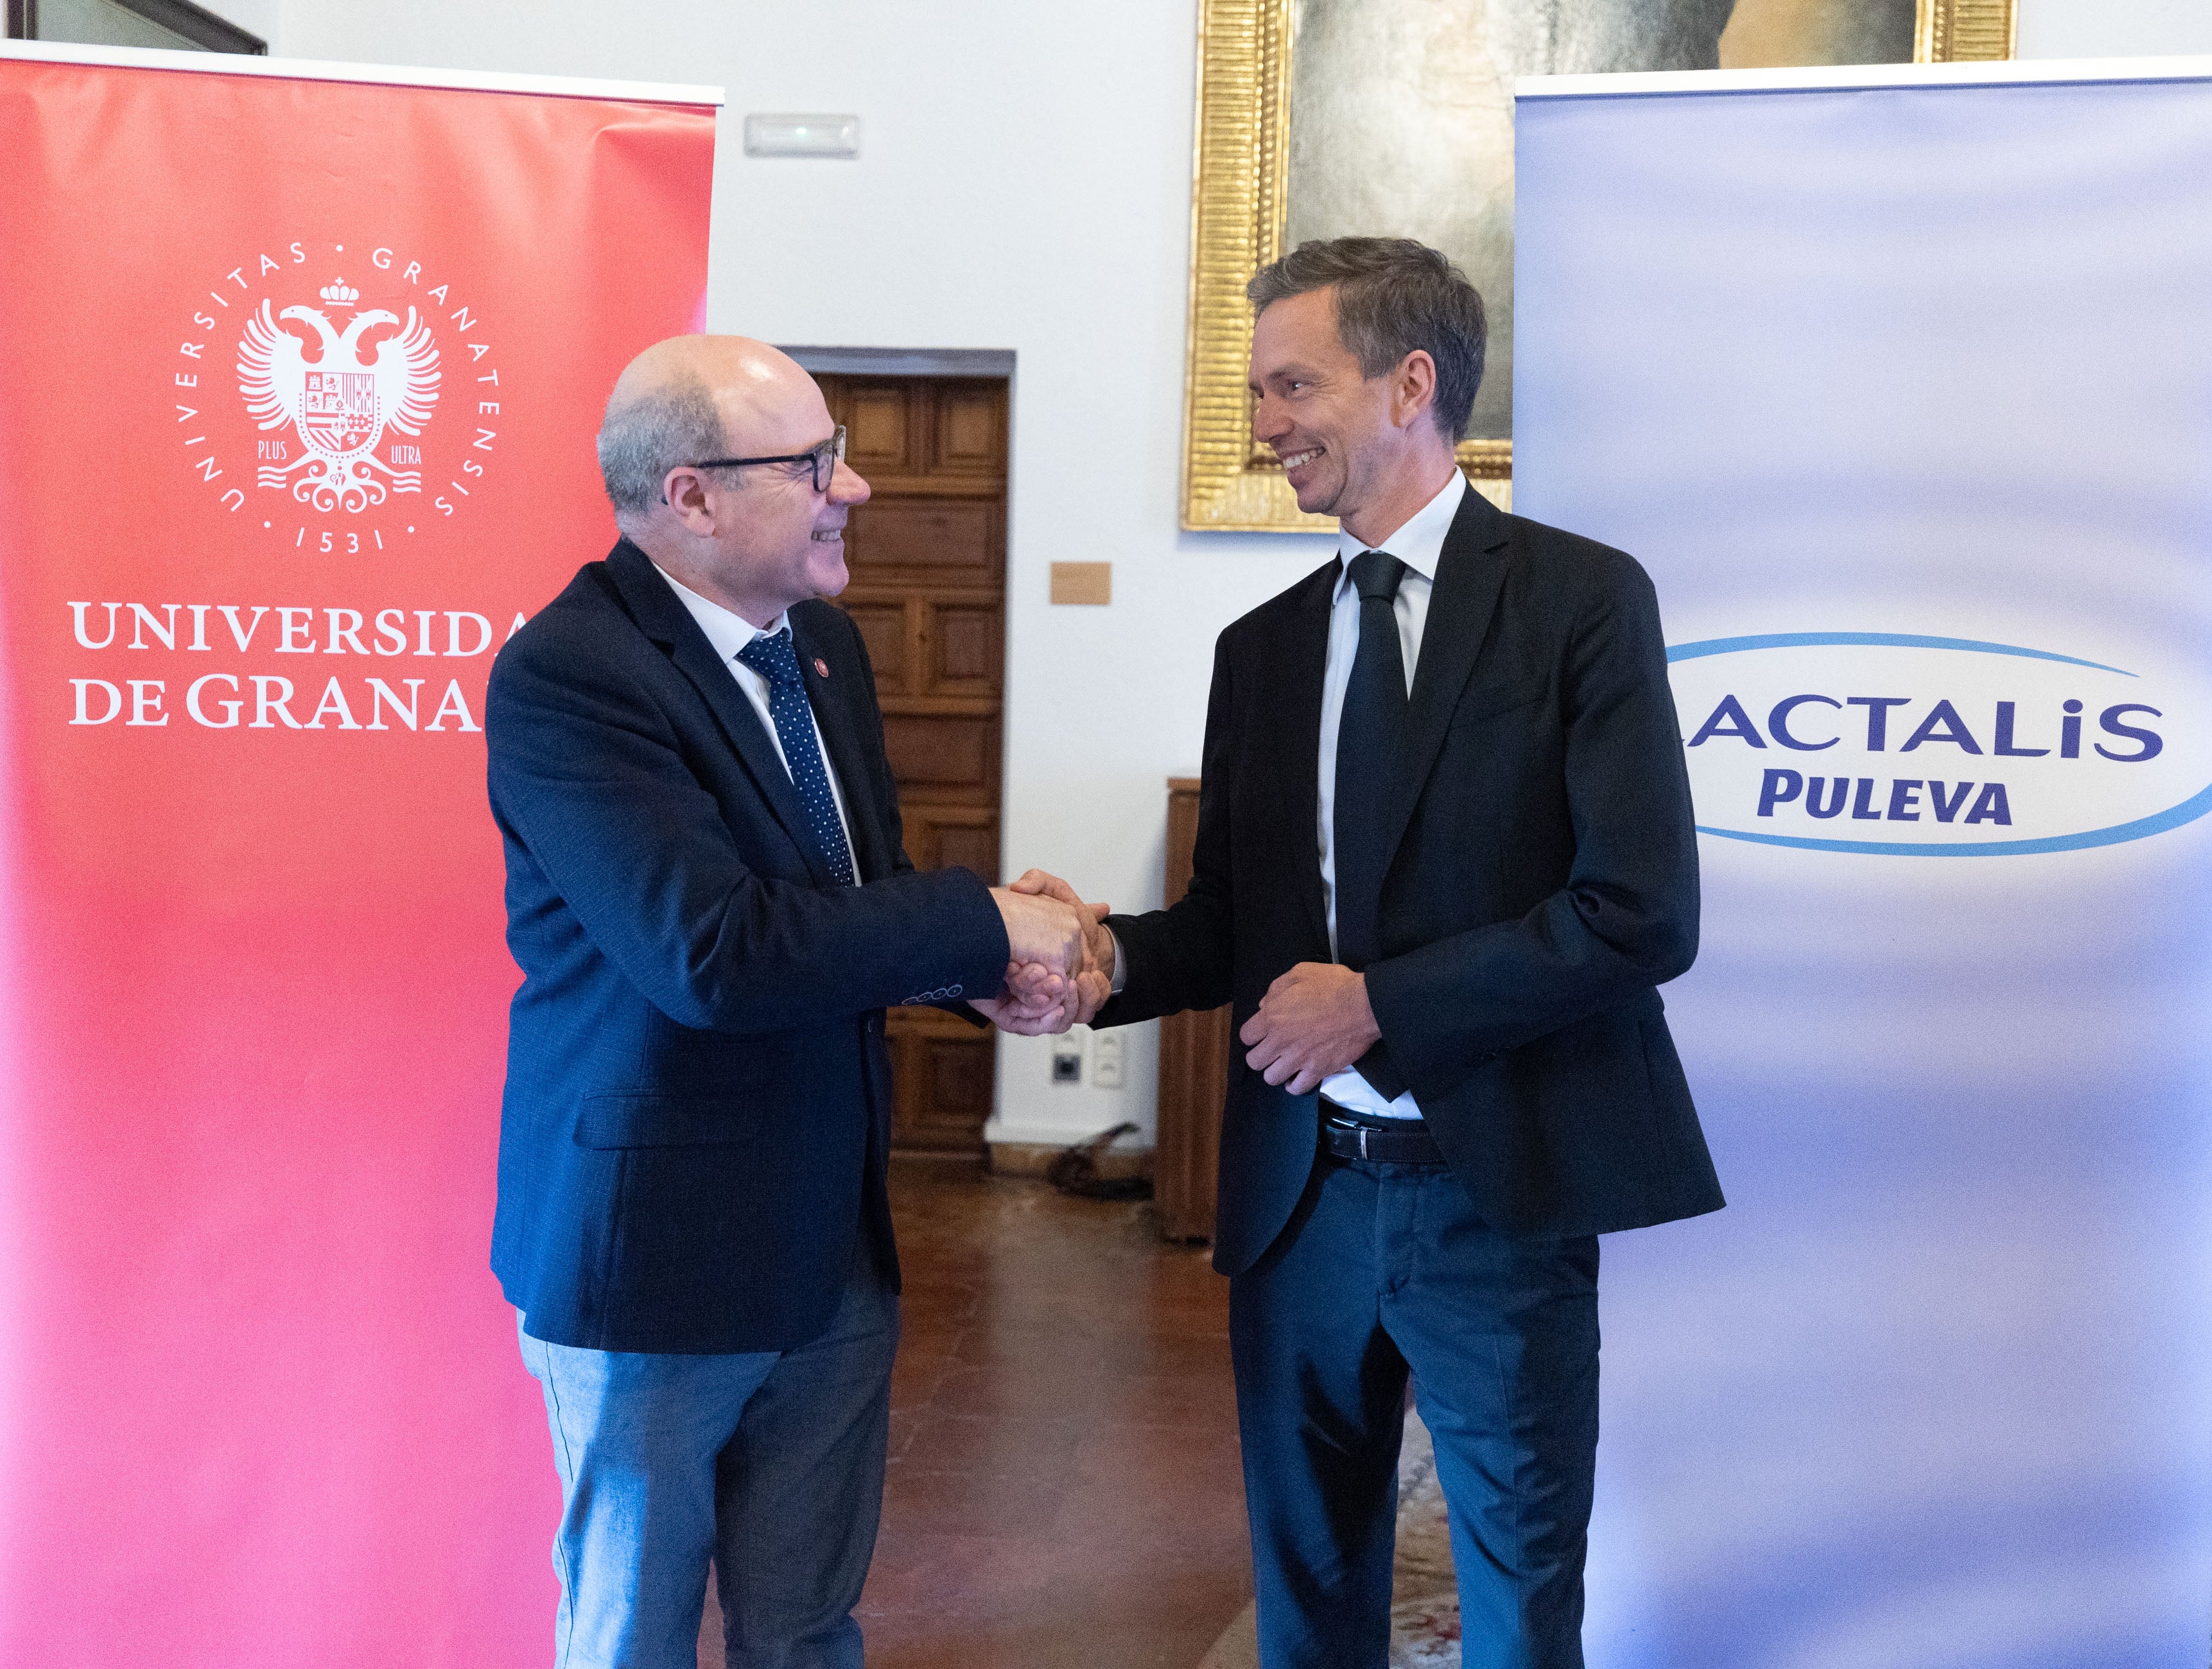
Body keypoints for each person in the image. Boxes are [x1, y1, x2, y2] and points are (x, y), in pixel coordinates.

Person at [1031, 238, 1723, 1666]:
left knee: (1523, 1602)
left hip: (1501, 1196)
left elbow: (1642, 910)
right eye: (1257, 391)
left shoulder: (1584, 602)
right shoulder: (1262, 649)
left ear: (1411, 383)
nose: (1264, 421)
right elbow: (1234, 923)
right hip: (1304, 1211)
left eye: (1293, 384)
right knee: (1310, 1596)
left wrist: (1379, 1007)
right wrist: (1099, 958)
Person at [484, 335, 1103, 1669]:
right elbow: (713, 951)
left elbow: (844, 899)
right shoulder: (572, 675)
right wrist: (982, 915)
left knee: (809, 1627)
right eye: (815, 462)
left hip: (831, 1242)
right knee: (633, 1635)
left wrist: (982, 973)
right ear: (691, 495)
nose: (857, 487)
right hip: (652, 1261)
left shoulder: (819, 644)